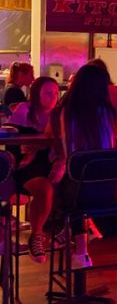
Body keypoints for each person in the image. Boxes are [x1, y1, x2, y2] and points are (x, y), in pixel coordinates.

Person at [48, 63, 117, 269]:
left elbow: (68, 150)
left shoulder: (67, 110)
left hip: (79, 190)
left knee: (65, 182)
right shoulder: (109, 112)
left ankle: (80, 249)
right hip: (108, 191)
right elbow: (109, 148)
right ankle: (84, 232)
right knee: (79, 181)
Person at [11, 76, 59, 262]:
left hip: (50, 164)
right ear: (36, 94)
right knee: (45, 189)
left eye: (56, 93)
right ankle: (36, 236)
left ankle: (76, 230)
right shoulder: (25, 110)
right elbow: (13, 143)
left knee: (75, 181)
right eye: (48, 93)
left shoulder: (57, 115)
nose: (53, 97)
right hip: (26, 165)